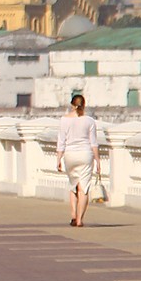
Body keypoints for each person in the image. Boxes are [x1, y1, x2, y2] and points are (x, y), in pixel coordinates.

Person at [58, 92, 100, 227]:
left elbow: (61, 141)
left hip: (70, 155)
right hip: (86, 155)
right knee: (84, 188)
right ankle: (80, 219)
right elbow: (93, 142)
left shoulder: (64, 120)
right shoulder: (89, 121)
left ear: (72, 105)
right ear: (84, 105)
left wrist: (58, 159)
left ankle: (73, 215)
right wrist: (98, 160)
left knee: (73, 185)